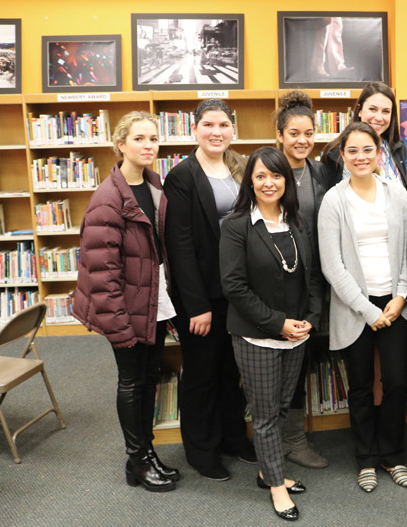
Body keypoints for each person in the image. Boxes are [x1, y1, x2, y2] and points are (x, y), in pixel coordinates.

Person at [73, 111, 179, 492]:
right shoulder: (108, 198)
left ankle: (146, 452)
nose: (148, 145)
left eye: (153, 139)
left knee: (150, 378)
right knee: (132, 381)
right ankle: (136, 460)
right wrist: (120, 328)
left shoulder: (153, 185)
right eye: (139, 139)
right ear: (120, 145)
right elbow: (102, 276)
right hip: (123, 309)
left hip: (150, 301)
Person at [219, 147, 322, 521]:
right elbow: (234, 287)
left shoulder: (296, 222)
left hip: (296, 334)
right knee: (263, 416)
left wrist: (310, 318)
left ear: (285, 181)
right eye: (260, 176)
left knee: (280, 408)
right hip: (256, 335)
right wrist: (278, 323)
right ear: (250, 181)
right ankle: (277, 487)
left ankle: (268, 470)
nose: (268, 182)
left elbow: (310, 276)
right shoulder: (235, 226)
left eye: (276, 176)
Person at [318, 122, 407, 493]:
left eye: (367, 150)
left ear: (379, 154)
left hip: (395, 303)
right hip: (354, 307)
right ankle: (366, 459)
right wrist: (368, 310)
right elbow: (332, 265)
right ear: (343, 156)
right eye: (353, 151)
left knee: (396, 382)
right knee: (359, 385)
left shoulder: (397, 194)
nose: (360, 157)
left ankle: (392, 455)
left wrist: (400, 297)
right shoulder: (333, 200)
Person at [163, 99, 254, 482]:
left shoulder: (240, 169)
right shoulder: (182, 175)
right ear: (195, 129)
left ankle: (232, 436)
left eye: (223, 125)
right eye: (208, 125)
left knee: (232, 372)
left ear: (233, 129)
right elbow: (179, 245)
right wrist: (196, 305)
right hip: (202, 296)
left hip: (237, 292)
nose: (216, 131)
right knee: (201, 373)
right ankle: (202, 450)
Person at [274, 89, 335, 469]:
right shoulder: (265, 169)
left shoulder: (321, 172)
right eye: (294, 133)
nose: (302, 141)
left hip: (315, 281)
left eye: (308, 133)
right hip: (278, 282)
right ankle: (277, 438)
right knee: (276, 361)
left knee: (302, 361)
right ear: (280, 134)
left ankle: (294, 437)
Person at [322, 82, 407, 186]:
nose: (379, 117)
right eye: (372, 109)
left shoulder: (398, 148)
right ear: (359, 110)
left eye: (386, 111)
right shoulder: (334, 154)